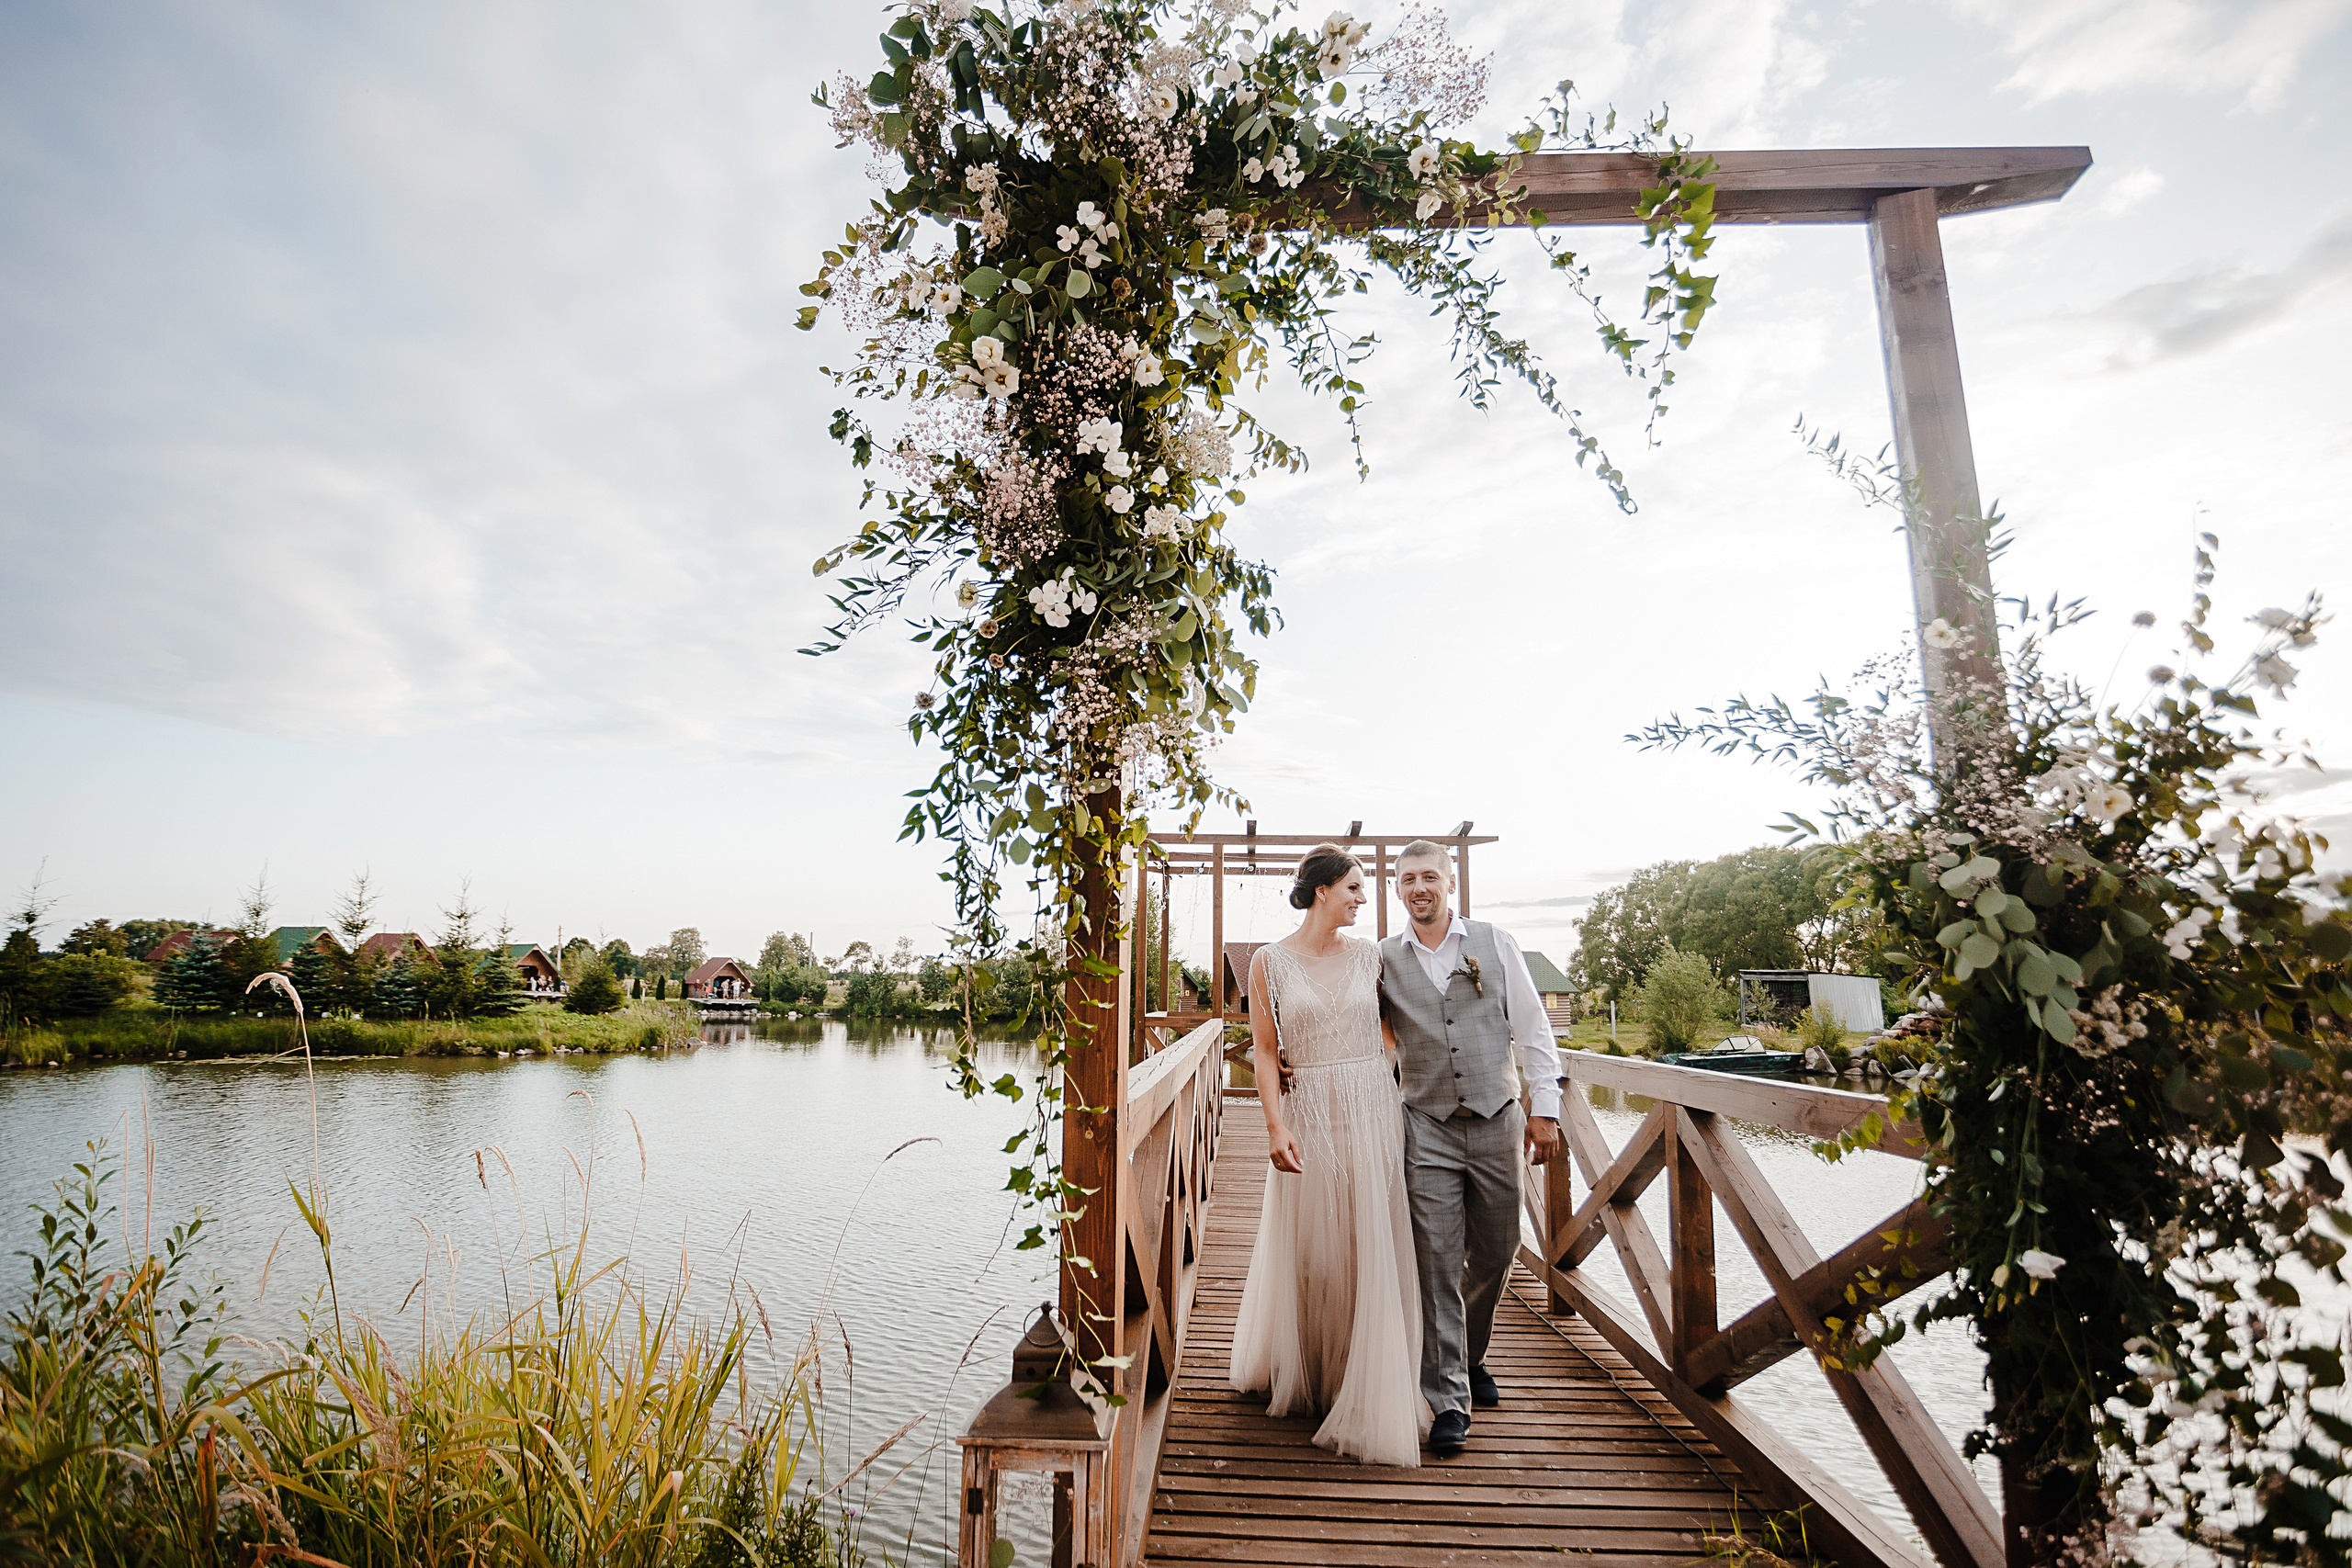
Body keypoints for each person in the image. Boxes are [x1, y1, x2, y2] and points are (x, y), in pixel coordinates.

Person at [1228, 844, 1429, 1467]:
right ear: (1322, 890)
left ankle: (1361, 1378)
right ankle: (1313, 1367)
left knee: (1365, 1241)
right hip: (1309, 1107)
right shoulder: (1269, 962)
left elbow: (1400, 1028)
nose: (1363, 899)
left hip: (1371, 1105)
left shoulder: (1372, 956)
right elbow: (1264, 1049)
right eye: (1355, 887)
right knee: (1314, 1247)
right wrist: (1273, 1123)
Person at [1378, 839, 1564, 1456]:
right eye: (1407, 879)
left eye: (1429, 876)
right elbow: (1358, 1029)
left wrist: (1546, 1110)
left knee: (1498, 1247)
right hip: (1425, 1123)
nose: (1418, 887)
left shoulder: (1495, 942)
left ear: (1449, 883)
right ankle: (1449, 1399)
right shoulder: (1382, 959)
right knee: (1437, 1259)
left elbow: (1534, 1029)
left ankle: (1472, 1350)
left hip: (1496, 1117)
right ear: (1397, 888)